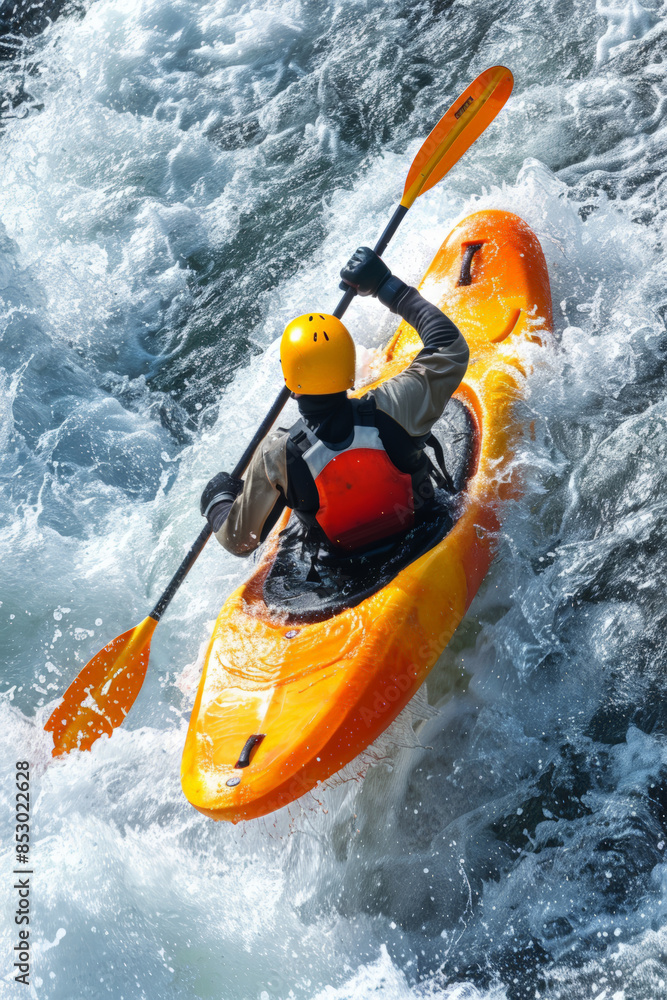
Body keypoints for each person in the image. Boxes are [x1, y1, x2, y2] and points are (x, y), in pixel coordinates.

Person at [200, 246, 469, 556]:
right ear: (349, 367)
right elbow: (450, 347)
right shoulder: (395, 405)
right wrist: (385, 286)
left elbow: (240, 541)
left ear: (291, 382)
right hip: (422, 535)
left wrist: (219, 503)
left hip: (347, 569)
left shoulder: (276, 457)